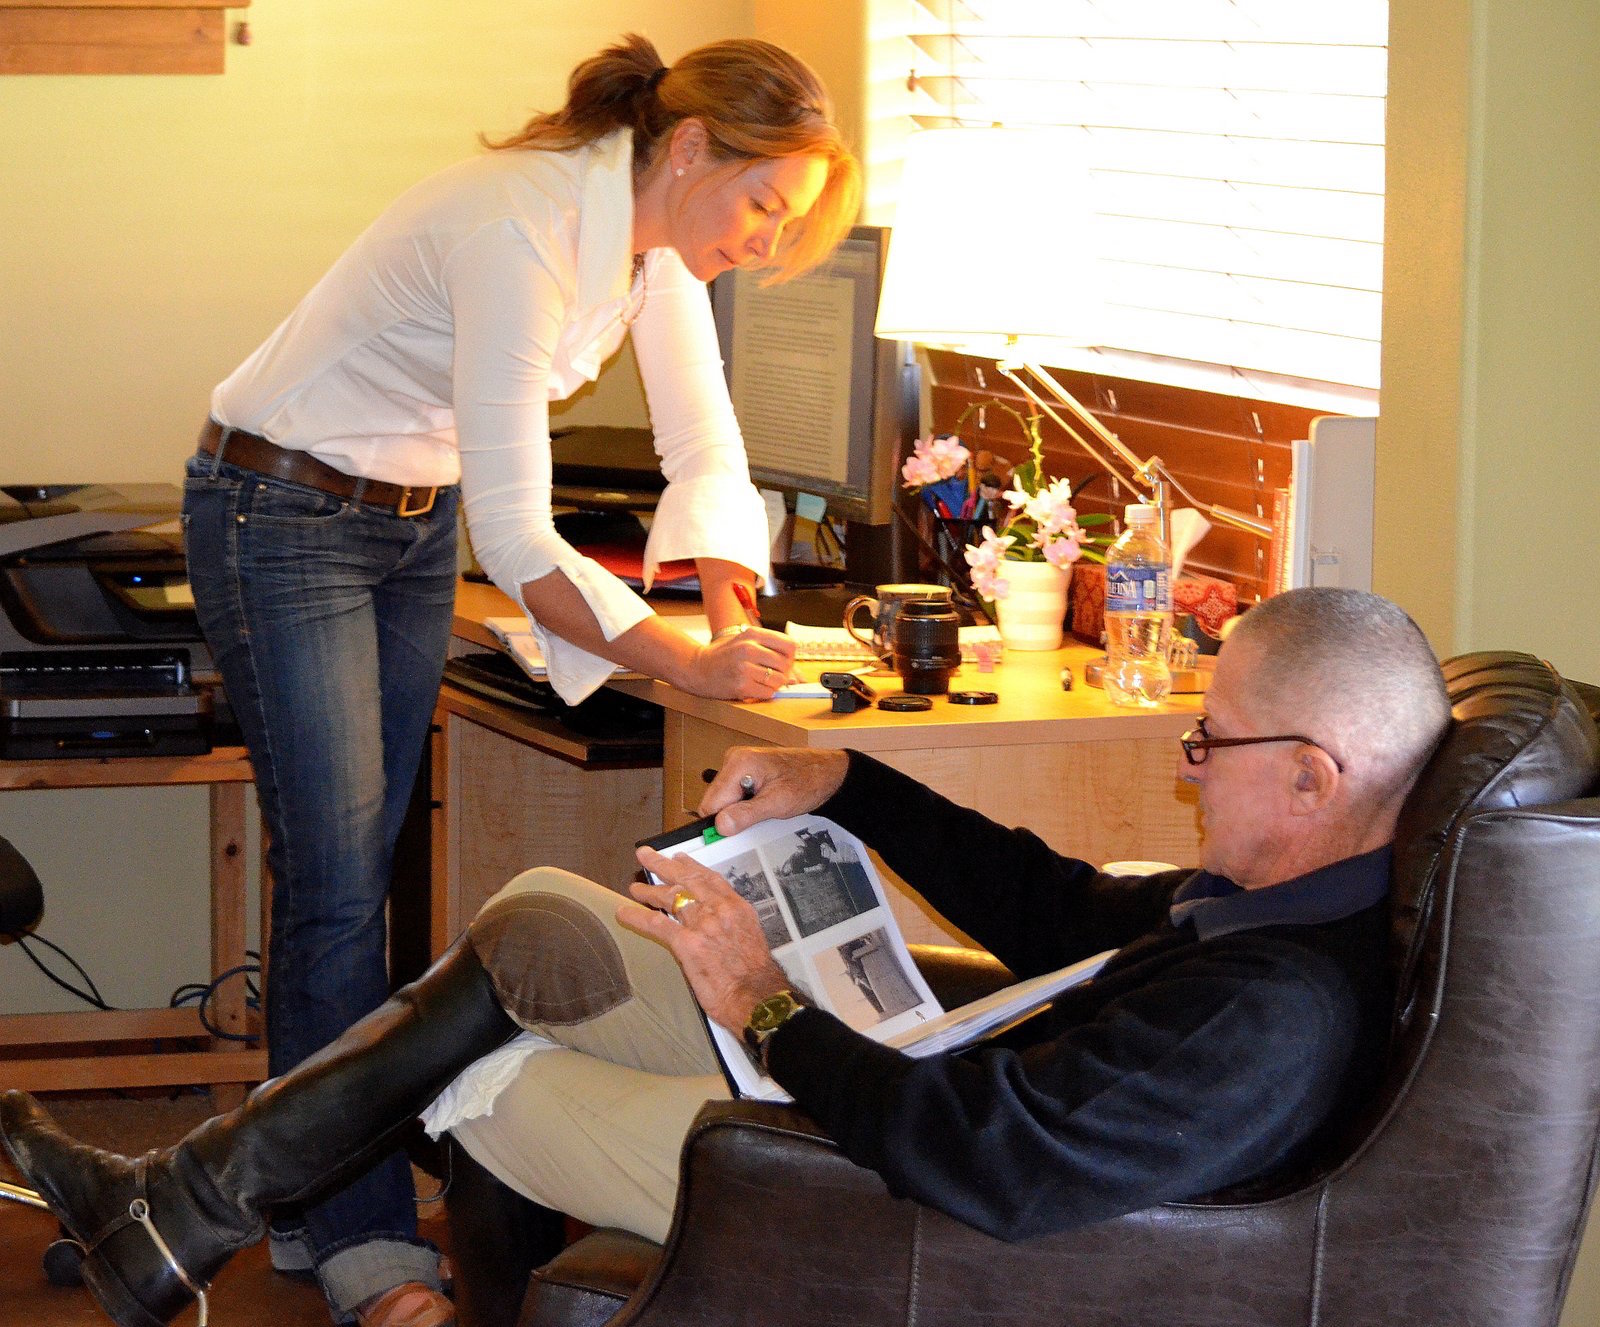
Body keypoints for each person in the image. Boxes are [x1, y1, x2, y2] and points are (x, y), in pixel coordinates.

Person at [0, 587, 1454, 1327]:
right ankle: (174, 1214)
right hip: (895, 1089)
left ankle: (172, 1216)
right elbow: (1066, 910)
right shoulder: (1271, 904)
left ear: (1319, 776)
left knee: (499, 1087)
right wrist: (853, 789)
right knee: (549, 919)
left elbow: (1000, 1171)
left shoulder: (1276, 1012)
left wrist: (761, 1003)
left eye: (1213, 742)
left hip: (884, 1185)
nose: (1191, 768)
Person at [179, 31, 858, 1327]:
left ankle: (312, 1203)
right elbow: (524, 542)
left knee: (367, 872)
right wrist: (678, 658)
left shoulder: (648, 239)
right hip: (282, 508)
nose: (767, 245)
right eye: (765, 206)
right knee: (335, 887)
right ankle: (367, 1250)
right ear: (695, 149)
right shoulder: (524, 230)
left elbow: (699, 431)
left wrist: (731, 583)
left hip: (407, 513)